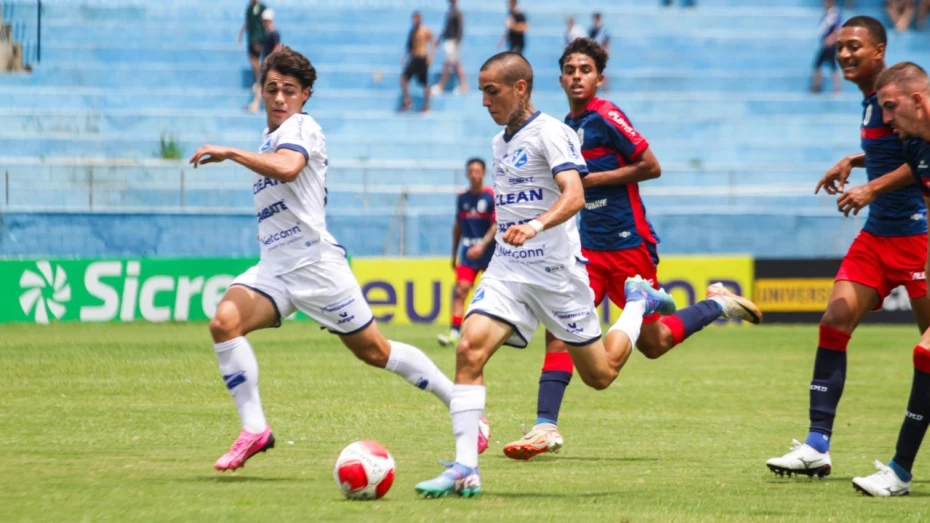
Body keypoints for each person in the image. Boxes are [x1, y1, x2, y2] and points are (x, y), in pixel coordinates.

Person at [187, 46, 487, 472]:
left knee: (375, 352)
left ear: (305, 94)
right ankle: (254, 429)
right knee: (224, 324)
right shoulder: (270, 138)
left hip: (316, 269)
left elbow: (289, 168)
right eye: (271, 89)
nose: (278, 98)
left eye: (288, 90)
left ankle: (460, 405)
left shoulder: (303, 128)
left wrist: (232, 153)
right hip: (274, 268)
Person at [414, 51, 678, 499]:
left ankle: (638, 304)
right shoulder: (500, 143)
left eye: (490, 91)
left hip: (557, 275)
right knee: (468, 350)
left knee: (601, 374)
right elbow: (513, 206)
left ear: (520, 89)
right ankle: (464, 468)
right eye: (480, 91)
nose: (483, 101)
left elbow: (574, 194)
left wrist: (536, 225)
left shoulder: (553, 132)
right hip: (508, 271)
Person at [501, 38, 763, 461]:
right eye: (569, 70)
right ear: (560, 78)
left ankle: (717, 305)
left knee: (654, 343)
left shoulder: (607, 116)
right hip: (587, 250)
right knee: (560, 331)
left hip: (629, 245)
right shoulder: (564, 126)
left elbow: (651, 165)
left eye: (585, 70)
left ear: (599, 78)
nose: (576, 76)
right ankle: (545, 426)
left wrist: (592, 182)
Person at [766, 17, 930, 480]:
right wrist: (853, 159)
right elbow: (894, 152)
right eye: (839, 47)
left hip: (917, 236)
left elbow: (920, 160)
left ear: (880, 52)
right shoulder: (870, 103)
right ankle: (817, 443)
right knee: (835, 319)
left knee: (929, 347)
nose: (844, 55)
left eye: (854, 46)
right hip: (878, 236)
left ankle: (905, 462)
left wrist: (872, 186)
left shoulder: (897, 94)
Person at [842, 61, 930, 497]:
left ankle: (899, 472)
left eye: (892, 107)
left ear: (918, 99)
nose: (887, 118)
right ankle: (899, 471)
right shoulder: (916, 149)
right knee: (927, 352)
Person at [438, 158, 496, 348]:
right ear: (466, 174)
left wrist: (482, 245)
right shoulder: (463, 198)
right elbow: (458, 227)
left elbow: (497, 225)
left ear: (484, 173)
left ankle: (495, 333)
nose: (474, 174)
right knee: (461, 290)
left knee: (493, 294)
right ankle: (455, 332)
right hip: (467, 254)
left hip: (490, 255)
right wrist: (454, 253)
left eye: (477, 171)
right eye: (470, 171)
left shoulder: (491, 196)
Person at [247, 9, 281, 113]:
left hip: (270, 65)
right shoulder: (267, 34)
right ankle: (255, 105)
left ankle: (256, 106)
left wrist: (270, 60)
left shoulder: (274, 33)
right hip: (266, 64)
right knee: (260, 86)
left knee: (261, 86)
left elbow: (277, 48)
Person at [401, 11, 435, 112]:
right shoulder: (412, 31)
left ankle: (427, 106)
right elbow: (409, 47)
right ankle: (407, 101)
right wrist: (405, 56)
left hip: (422, 59)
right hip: (414, 58)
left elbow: (433, 43)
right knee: (403, 78)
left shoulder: (425, 30)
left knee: (425, 83)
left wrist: (431, 56)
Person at [432, 0, 468, 96]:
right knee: (454, 64)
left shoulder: (457, 12)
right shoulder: (450, 12)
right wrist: (439, 39)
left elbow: (460, 28)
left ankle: (441, 86)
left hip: (453, 42)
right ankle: (463, 85)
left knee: (448, 64)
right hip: (449, 41)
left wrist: (457, 41)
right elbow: (446, 28)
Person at [811, 0, 842, 94]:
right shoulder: (829, 14)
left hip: (830, 46)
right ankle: (817, 86)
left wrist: (830, 39)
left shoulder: (834, 15)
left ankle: (835, 89)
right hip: (826, 45)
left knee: (830, 66)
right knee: (819, 65)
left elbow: (838, 29)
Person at [238, 0, 267, 92]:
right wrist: (241, 34)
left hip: (258, 37)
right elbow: (248, 22)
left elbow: (266, 23)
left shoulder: (262, 7)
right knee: (252, 58)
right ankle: (259, 78)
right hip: (251, 38)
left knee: (256, 58)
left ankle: (260, 80)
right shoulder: (249, 8)